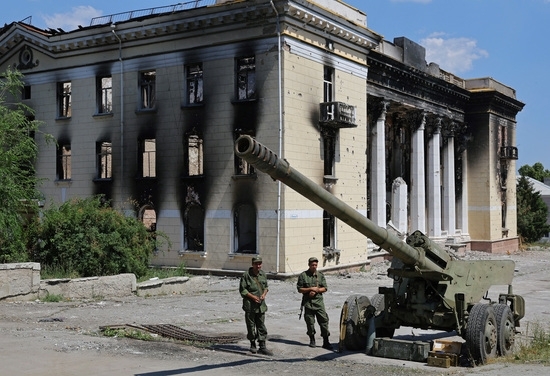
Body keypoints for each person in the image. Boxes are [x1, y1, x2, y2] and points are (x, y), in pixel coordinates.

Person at [296, 257, 333, 350]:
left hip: (319, 303)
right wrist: (310, 289)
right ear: (309, 265)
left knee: (324, 322)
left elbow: (325, 288)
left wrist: (317, 290)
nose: (314, 266)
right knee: (310, 323)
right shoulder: (303, 275)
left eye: (315, 265)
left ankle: (326, 341)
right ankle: (312, 340)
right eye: (312, 265)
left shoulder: (320, 275)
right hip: (308, 303)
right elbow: (299, 289)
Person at [239, 255, 273, 355]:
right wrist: (253, 297)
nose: (258, 266)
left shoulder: (263, 274)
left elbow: (266, 287)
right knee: (251, 325)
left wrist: (263, 295)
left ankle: (262, 346)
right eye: (256, 264)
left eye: (260, 264)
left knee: (261, 325)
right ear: (252, 264)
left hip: (261, 305)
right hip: (250, 305)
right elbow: (243, 290)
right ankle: (252, 344)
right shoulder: (246, 275)